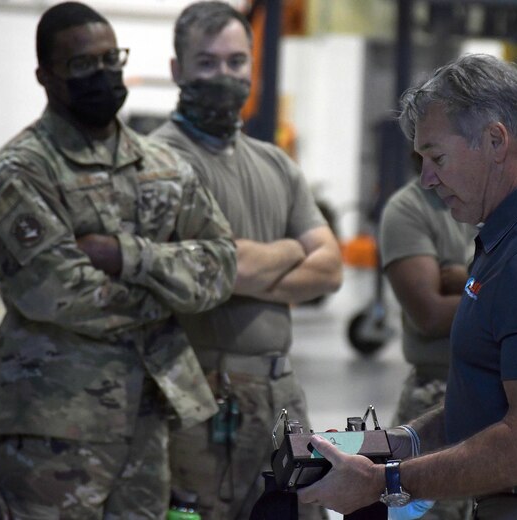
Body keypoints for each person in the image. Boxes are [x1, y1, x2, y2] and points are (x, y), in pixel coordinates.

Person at [298, 53, 517, 519]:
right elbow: (496, 401)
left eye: (436, 157)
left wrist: (386, 482)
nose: (427, 178)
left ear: (495, 140)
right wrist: (401, 442)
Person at [0, 2, 237, 518]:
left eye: (110, 58)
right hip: (48, 428)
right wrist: (169, 291)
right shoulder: (20, 173)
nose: (103, 74)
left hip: (145, 426)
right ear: (45, 77)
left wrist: (127, 257)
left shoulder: (164, 166)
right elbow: (59, 292)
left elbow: (222, 266)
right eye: (81, 65)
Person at [151, 2, 342, 519]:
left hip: (282, 397)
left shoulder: (275, 163)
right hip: (202, 404)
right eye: (207, 63)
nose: (224, 75)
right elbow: (214, 267)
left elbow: (329, 268)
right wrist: (289, 250)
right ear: (177, 71)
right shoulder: (157, 163)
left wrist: (237, 266)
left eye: (236, 62)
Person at [379, 166, 476, 520]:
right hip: (436, 394)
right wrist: (512, 293)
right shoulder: (409, 208)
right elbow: (431, 316)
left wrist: (466, 281)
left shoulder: (508, 200)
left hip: (506, 398)